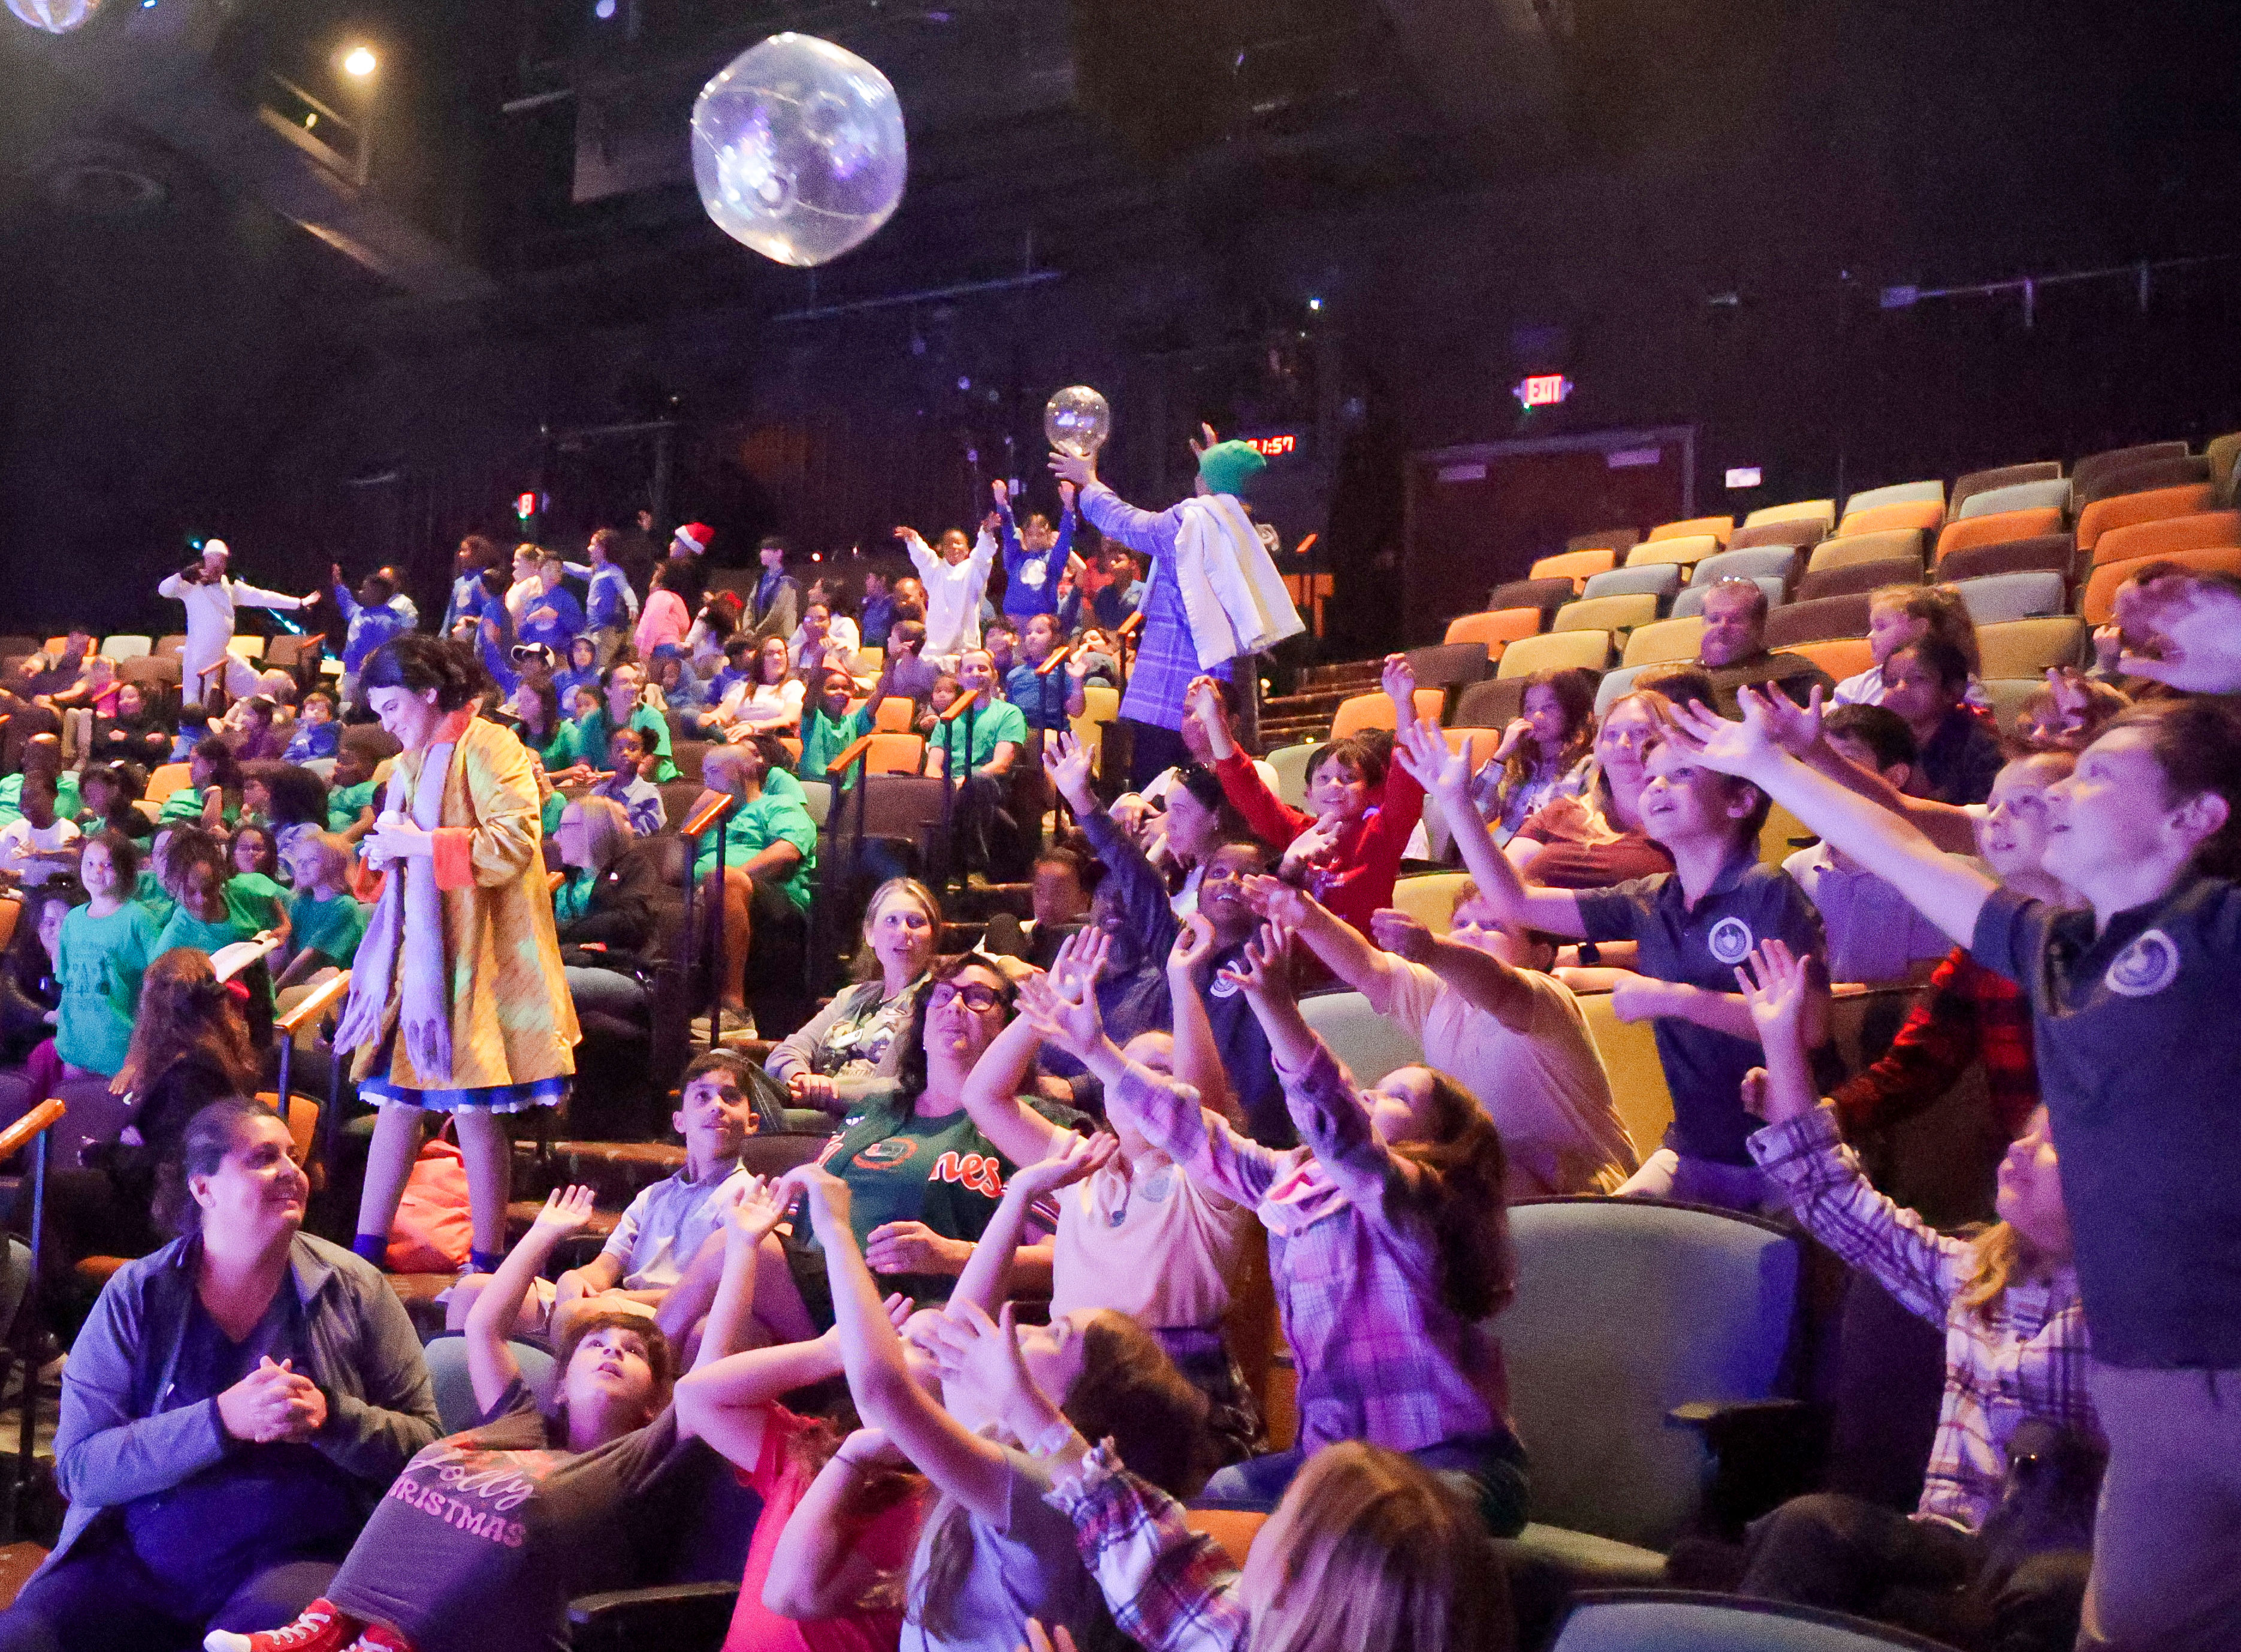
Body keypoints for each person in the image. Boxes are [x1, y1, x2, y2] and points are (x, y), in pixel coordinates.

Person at [1666, 688, 2241, 1652]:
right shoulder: (2058, 948)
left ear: (2195, 818)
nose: (2060, 795)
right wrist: (1769, 767)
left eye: (2098, 775)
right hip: (2153, 1390)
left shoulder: (2223, 931)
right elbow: (1913, 855)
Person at [1022, 926, 1524, 1528]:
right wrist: (1099, 1051)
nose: (1367, 1095)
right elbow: (1195, 1134)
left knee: (1382, 1535)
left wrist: (1276, 1006)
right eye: (1369, 1086)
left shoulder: (1426, 1202)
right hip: (1343, 1463)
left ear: (1437, 1145)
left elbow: (1340, 1129)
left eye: (1394, 1098)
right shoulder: (1295, 1183)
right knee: (1222, 1500)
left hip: (1444, 1460)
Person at [1730, 939, 2096, 1652]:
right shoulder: (1973, 1275)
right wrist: (1781, 1044)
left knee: (2052, 1587)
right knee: (1810, 1526)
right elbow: (1832, 1197)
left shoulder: (2143, 1309)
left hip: (2059, 1559)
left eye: (2048, 1144)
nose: (2016, 1149)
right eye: (2022, 1133)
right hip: (1947, 1546)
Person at [221, 1181, 753, 1652]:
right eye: (595, 1344)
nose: (612, 1352)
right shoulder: (522, 1423)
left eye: (633, 1351)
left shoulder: (642, 1456)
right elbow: (483, 1327)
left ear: (655, 1402)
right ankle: (329, 1625)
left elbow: (708, 1375)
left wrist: (745, 1247)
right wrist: (544, 1232)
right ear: (560, 1386)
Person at [0, 1100, 437, 1652]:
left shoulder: (357, 1289)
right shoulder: (137, 1294)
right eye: (262, 1157)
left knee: (254, 1639)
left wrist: (334, 1417)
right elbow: (81, 1469)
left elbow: (430, 1453)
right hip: (138, 1564)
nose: (291, 1171)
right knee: (21, 1640)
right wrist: (221, 1419)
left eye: (294, 1156)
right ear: (203, 1189)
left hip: (297, 1560)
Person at [1393, 709, 1831, 1213]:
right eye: (1653, 778)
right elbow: (1515, 902)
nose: (1658, 787)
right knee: (1609, 1236)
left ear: (1740, 799)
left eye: (1682, 774)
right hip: (1696, 1146)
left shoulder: (1766, 890)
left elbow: (1813, 1026)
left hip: (1787, 1147)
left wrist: (1675, 1000)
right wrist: (1457, 802)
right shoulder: (1648, 898)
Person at [789, 1156, 1209, 1652]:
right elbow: (960, 1326)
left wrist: (837, 1229)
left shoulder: (1043, 1493)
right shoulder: (1007, 1449)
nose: (1025, 1326)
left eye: (1055, 1332)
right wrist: (1019, 1195)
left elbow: (882, 1390)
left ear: (1071, 1406)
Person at [956, 931, 1263, 1461]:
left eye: (1159, 1071)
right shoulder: (1083, 1164)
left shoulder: (1211, 1180)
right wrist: (1047, 1007)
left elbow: (1201, 1112)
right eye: (1129, 1063)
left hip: (1172, 1388)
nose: (1136, 1080)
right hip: (1068, 1372)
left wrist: (1181, 979)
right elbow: (983, 1096)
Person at [334, 635, 578, 1281]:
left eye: (391, 707)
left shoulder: (494, 746)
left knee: (473, 1107)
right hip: (422, 960)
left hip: (483, 954)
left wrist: (418, 847)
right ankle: (365, 1257)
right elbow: (401, 854)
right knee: (396, 1099)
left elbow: (513, 845)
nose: (386, 725)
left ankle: (487, 1260)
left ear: (429, 693)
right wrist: (382, 855)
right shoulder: (410, 764)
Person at [1258, 871, 1637, 1197]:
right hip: (1491, 1192)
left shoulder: (1548, 997)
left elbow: (1501, 987)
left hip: (1585, 1196)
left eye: (1493, 927)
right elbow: (1368, 969)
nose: (1470, 933)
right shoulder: (1440, 994)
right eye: (1460, 924)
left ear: (1541, 955)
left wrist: (1434, 950)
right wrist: (1306, 916)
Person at [673, 1200, 932, 1652]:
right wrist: (829, 1351)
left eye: (925, 1349)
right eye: (899, 1340)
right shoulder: (814, 1447)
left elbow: (799, 1593)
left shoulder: (936, 1500)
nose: (892, 1353)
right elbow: (697, 1395)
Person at [449, 1052, 804, 1355]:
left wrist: (614, 1301)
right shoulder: (653, 1197)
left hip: (680, 1316)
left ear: (753, 1123)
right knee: (471, 1294)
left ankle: (566, 1413)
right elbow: (604, 1269)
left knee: (582, 1317)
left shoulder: (751, 1198)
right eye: (702, 1097)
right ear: (680, 1122)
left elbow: (723, 1296)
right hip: (619, 1304)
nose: (717, 1107)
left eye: (730, 1098)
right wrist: (576, 1279)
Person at [805, 955, 1083, 1307]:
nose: (955, 1005)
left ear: (1007, 1029)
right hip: (819, 1280)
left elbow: (1058, 1259)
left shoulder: (1030, 1124)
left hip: (915, 1306)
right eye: (941, 994)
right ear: (921, 1028)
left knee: (736, 1255)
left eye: (978, 996)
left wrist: (952, 1255)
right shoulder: (876, 1109)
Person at [1829, 751, 2071, 1149]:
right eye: (1992, 805)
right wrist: (1832, 1112)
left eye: (2025, 801)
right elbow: (1921, 1061)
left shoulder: (2127, 934)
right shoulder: (1984, 949)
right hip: (2036, 1165)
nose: (1996, 818)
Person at [1050, 424, 1302, 787]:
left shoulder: (1188, 522)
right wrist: (1216, 471)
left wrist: (1089, 481)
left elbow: (1129, 524)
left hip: (1173, 691)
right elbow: (1220, 502)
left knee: (1161, 799)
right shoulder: (1254, 532)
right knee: (1216, 799)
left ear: (1205, 485)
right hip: (1226, 689)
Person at [1193, 660, 1422, 940]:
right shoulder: (1296, 831)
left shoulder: (1382, 833)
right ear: (1309, 795)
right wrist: (1215, 719)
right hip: (1299, 972)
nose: (1335, 786)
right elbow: (1246, 789)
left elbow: (1408, 777)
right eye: (1323, 779)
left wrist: (1403, 702)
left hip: (1362, 973)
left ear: (1373, 793)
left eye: (1349, 778)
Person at [1782, 705, 1953, 984]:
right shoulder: (1796, 871)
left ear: (1894, 777)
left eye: (1843, 762)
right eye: (1815, 764)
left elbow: (1929, 982)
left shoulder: (1924, 873)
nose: (1822, 776)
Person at [766, 876, 938, 1115]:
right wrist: (801, 1079)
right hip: (811, 1107)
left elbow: (911, 1085)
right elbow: (787, 1051)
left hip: (865, 1120)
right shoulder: (852, 996)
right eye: (891, 920)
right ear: (870, 934)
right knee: (723, 1062)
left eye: (915, 922)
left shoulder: (939, 1002)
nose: (903, 931)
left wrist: (832, 1092)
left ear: (933, 937)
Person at [691, 739, 818, 1035]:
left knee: (725, 880)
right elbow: (673, 869)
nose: (704, 782)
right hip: (707, 896)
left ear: (742, 771)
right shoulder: (712, 819)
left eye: (712, 772)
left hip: (772, 898)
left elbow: (787, 852)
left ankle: (733, 1007)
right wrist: (694, 817)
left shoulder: (779, 805)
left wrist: (724, 879)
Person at [52, 832, 158, 1080]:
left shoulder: (138, 918)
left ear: (126, 872)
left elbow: (158, 985)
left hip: (120, 1050)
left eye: (107, 865)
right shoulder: (73, 919)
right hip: (75, 1047)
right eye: (89, 863)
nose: (96, 871)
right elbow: (66, 981)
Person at [158, 541, 315, 704]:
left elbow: (263, 597)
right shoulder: (191, 586)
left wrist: (299, 603)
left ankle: (261, 711)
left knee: (254, 684)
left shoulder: (230, 588)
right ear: (205, 561)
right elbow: (164, 590)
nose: (216, 565)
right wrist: (181, 576)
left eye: (221, 561)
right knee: (195, 699)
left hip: (221, 653)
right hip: (199, 654)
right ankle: (190, 727)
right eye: (212, 560)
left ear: (225, 564)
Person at [925, 648, 1031, 879]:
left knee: (979, 783)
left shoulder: (1009, 713)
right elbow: (933, 765)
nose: (976, 673)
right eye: (969, 669)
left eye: (982, 668)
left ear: (994, 675)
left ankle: (975, 864)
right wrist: (940, 785)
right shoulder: (949, 718)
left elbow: (1002, 763)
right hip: (950, 785)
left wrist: (966, 780)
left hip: (990, 784)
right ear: (960, 677)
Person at [1471, 668, 1596, 839]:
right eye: (1529, 709)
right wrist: (1501, 755)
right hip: (1502, 855)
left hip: (1548, 856)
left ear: (1572, 711)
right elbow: (1477, 813)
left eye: (1549, 707)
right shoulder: (1516, 764)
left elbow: (1587, 829)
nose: (1537, 716)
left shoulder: (1587, 766)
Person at [1883, 637, 2005, 806]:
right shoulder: (1880, 738)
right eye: (1890, 682)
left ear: (1953, 690)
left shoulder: (1981, 744)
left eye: (1918, 679)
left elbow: (1987, 811)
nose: (1900, 688)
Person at [1695, 578, 1835, 715]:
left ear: (1759, 627)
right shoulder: (1683, 678)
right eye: (1714, 619)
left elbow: (1839, 718)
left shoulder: (1793, 671)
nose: (1722, 626)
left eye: (1735, 619)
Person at [1832, 585, 1981, 708]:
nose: (1870, 636)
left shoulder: (1960, 684)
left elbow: (1978, 732)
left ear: (1920, 628)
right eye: (1891, 682)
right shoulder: (1856, 687)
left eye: (1881, 626)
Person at [155, 827, 285, 959]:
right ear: (173, 888)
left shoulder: (239, 892)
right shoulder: (173, 940)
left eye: (209, 889)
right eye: (191, 892)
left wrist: (286, 926)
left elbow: (272, 901)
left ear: (220, 879)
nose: (202, 900)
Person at [273, 833, 367, 995]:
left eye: (312, 860)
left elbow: (309, 958)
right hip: (301, 980)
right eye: (300, 861)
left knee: (327, 975)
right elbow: (285, 948)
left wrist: (275, 991)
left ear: (335, 865)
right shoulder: (302, 902)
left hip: (335, 986)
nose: (302, 867)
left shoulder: (344, 906)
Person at [896, 520, 996, 664]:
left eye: (958, 543)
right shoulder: (936, 570)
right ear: (942, 549)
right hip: (936, 648)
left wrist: (986, 533)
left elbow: (982, 555)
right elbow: (925, 557)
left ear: (967, 549)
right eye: (949, 544)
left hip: (965, 647)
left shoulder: (973, 570)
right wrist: (914, 540)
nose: (954, 547)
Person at [992, 478, 1082, 623]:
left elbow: (1065, 538)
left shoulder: (1053, 560)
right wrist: (1002, 503)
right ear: (1024, 536)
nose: (1035, 538)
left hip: (1043, 621)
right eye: (1030, 534)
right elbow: (1009, 532)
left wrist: (1069, 508)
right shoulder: (1015, 558)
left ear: (1048, 535)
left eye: (1040, 534)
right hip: (1014, 619)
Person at [330, 566, 413, 711]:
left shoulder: (386, 621)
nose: (361, 592)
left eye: (365, 589)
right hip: (352, 673)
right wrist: (339, 585)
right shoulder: (359, 612)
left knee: (370, 710)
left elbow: (383, 650)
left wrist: (370, 670)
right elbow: (346, 602)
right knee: (345, 708)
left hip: (370, 677)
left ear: (377, 594)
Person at [564, 528, 639, 664]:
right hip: (597, 630)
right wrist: (561, 564)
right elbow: (581, 571)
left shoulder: (613, 571)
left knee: (598, 664)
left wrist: (632, 604)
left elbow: (625, 588)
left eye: (594, 545)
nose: (589, 548)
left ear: (604, 549)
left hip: (606, 630)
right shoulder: (598, 571)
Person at [717, 636, 808, 738]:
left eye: (781, 653)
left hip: (767, 738)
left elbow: (791, 718)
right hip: (735, 734)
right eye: (770, 654)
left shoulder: (794, 686)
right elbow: (722, 714)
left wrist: (752, 727)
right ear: (760, 659)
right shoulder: (744, 688)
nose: (777, 658)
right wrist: (705, 718)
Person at [0, 771, 80, 887]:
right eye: (24, 797)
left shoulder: (68, 831)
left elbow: (64, 877)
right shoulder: (16, 827)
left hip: (43, 899)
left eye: (33, 797)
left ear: (53, 795)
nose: (26, 804)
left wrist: (20, 877)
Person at [516, 553, 585, 659]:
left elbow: (580, 625)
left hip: (560, 654)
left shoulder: (566, 597)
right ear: (538, 570)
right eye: (548, 569)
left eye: (558, 571)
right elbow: (522, 633)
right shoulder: (532, 600)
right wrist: (530, 619)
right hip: (535, 656)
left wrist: (557, 615)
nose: (553, 574)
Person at [95, 681, 175, 769]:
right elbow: (100, 746)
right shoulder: (110, 724)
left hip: (144, 772)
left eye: (131, 697)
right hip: (111, 772)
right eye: (121, 699)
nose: (125, 701)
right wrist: (144, 742)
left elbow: (165, 752)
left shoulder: (156, 726)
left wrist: (125, 738)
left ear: (144, 702)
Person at [635, 558, 695, 660]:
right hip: (672, 648)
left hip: (657, 650)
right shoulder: (678, 600)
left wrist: (645, 652)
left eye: (654, 579)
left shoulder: (660, 596)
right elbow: (685, 624)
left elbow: (653, 623)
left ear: (660, 583)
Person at [747, 536, 802, 644]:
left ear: (778, 553)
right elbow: (750, 604)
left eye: (766, 550)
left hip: (779, 638)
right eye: (762, 550)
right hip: (759, 638)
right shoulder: (761, 579)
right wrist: (748, 628)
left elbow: (777, 613)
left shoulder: (787, 580)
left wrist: (757, 633)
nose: (762, 553)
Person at [440, 536, 497, 639]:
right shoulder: (459, 582)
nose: (460, 554)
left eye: (464, 551)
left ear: (477, 554)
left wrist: (473, 624)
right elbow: (451, 611)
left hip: (473, 636)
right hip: (456, 634)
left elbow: (490, 610)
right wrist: (444, 635)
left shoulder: (484, 580)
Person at [282, 689, 341, 764]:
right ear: (303, 714)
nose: (316, 712)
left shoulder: (334, 733)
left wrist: (301, 763)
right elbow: (287, 759)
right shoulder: (300, 735)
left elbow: (321, 759)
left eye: (322, 710)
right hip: (301, 772)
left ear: (329, 717)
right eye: (311, 709)